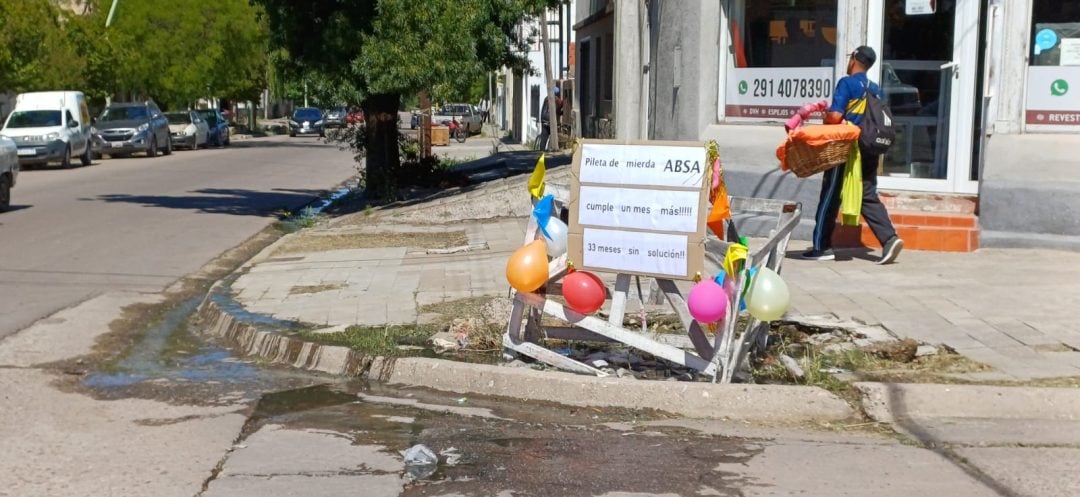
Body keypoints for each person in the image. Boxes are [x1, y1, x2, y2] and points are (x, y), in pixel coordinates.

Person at [803, 45, 903, 265]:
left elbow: (836, 116)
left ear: (854, 60)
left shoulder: (846, 83)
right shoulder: (875, 88)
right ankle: (889, 238)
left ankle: (821, 247)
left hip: (847, 149)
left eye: (850, 58)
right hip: (869, 147)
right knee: (867, 193)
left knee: (830, 194)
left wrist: (825, 116)